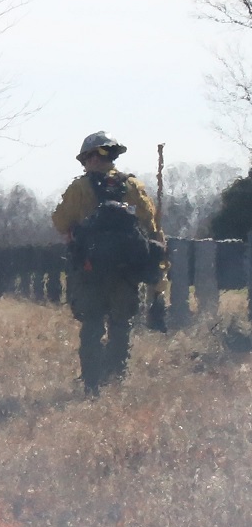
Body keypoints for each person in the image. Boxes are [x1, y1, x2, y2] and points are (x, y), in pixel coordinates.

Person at [52, 132, 166, 396]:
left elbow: (60, 222)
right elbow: (151, 227)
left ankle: (91, 385)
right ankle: (116, 379)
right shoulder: (134, 186)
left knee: (92, 325)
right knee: (121, 324)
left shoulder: (79, 188)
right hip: (127, 272)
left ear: (90, 158)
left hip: (90, 270)